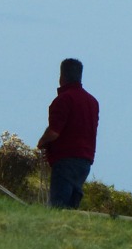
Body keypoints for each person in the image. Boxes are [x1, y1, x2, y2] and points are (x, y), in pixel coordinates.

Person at [37, 58, 100, 209]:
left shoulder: (63, 100)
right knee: (71, 207)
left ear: (61, 77)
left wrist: (42, 142)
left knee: (58, 206)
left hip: (65, 159)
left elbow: (54, 132)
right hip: (85, 161)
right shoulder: (92, 102)